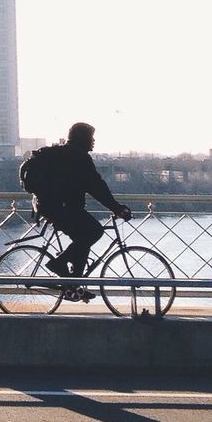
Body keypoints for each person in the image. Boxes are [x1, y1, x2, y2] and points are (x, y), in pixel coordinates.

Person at [36, 122, 131, 299]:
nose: (93, 141)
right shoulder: (78, 157)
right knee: (94, 231)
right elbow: (96, 186)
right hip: (60, 208)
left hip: (51, 206)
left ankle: (74, 285)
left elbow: (94, 186)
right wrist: (117, 208)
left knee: (83, 238)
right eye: (91, 137)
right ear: (82, 138)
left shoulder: (65, 153)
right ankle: (59, 265)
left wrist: (115, 206)